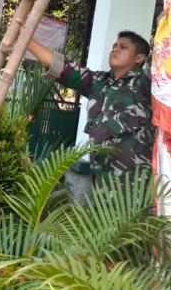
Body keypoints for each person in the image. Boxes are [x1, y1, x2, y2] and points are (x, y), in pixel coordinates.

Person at [25, 30, 153, 186]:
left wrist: (166, 26)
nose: (115, 49)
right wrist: (26, 37)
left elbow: (164, 64)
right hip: (100, 181)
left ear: (139, 58)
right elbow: (61, 67)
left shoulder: (146, 85)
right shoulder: (98, 82)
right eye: (114, 46)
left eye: (123, 47)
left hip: (134, 186)